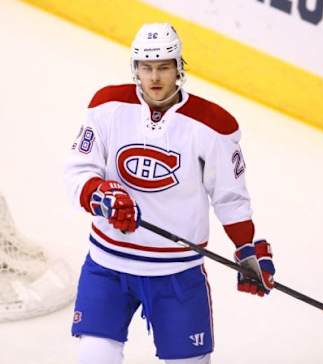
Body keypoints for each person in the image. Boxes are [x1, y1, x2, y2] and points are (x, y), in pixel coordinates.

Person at [64, 22, 276, 364]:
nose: (155, 77)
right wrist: (101, 196)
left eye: (164, 66)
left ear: (179, 68)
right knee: (93, 358)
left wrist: (246, 248)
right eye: (146, 67)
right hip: (108, 265)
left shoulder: (212, 126)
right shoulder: (107, 107)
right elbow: (78, 169)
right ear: (135, 69)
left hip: (175, 272)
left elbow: (230, 196)